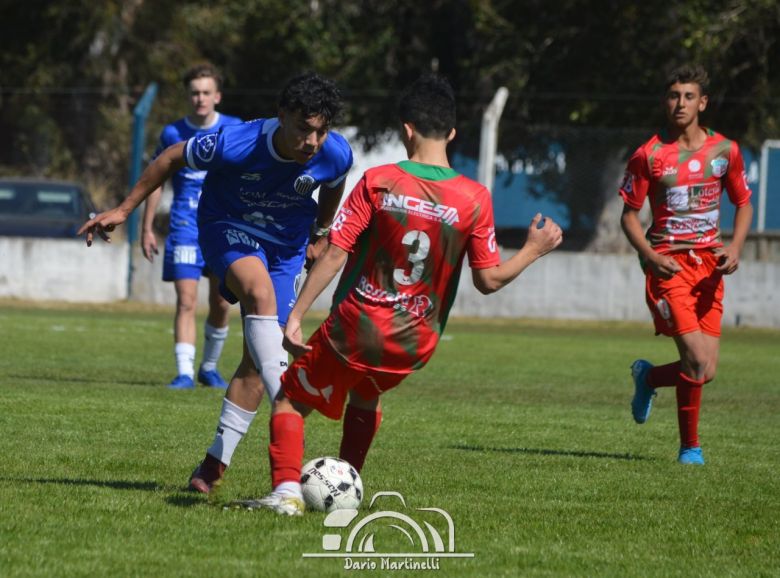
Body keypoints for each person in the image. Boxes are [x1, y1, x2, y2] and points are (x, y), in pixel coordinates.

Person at [234, 73, 563, 515]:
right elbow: (488, 280)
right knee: (367, 393)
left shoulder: (380, 181)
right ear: (451, 132)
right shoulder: (474, 198)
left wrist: (296, 314)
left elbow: (334, 253)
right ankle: (345, 488)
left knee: (290, 399)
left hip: (357, 327)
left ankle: (287, 494)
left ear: (405, 129)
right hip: (413, 342)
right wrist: (532, 250)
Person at [78, 72, 354, 489]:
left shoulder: (334, 153)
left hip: (284, 247)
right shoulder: (238, 142)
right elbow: (171, 157)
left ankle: (213, 465)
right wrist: (123, 210)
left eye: (320, 131)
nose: (311, 142)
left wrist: (321, 230)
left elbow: (334, 183)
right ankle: (290, 402)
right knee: (259, 297)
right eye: (303, 129)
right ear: (282, 117)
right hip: (227, 228)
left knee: (255, 358)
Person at [619, 64, 753, 465]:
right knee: (695, 360)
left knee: (704, 370)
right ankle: (690, 448)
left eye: (689, 96)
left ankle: (648, 377)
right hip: (669, 268)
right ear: (666, 101)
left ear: (703, 102)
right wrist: (650, 256)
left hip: (710, 269)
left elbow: (743, 203)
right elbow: (628, 215)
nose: (680, 103)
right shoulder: (650, 155)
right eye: (674, 96)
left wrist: (736, 247)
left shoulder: (725, 151)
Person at [141, 63, 243, 390]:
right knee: (186, 300)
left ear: (217, 96)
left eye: (206, 92)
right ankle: (184, 372)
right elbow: (155, 180)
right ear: (189, 96)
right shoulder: (173, 133)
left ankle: (209, 368)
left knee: (221, 302)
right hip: (185, 226)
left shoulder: (235, 129)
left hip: (223, 227)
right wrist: (146, 228)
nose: (200, 98)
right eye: (194, 92)